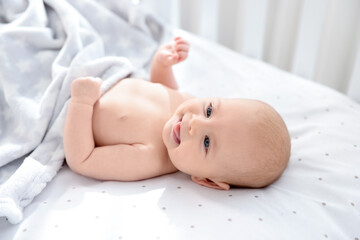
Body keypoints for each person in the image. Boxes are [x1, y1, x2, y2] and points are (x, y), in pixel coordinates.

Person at [63, 37, 291, 190]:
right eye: (210, 110)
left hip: (71, 102)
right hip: (102, 72)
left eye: (207, 142)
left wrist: (81, 102)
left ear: (208, 180)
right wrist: (162, 64)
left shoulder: (150, 158)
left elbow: (82, 159)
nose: (196, 123)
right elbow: (163, 89)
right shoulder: (188, 104)